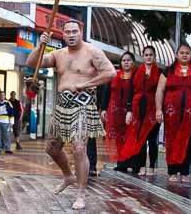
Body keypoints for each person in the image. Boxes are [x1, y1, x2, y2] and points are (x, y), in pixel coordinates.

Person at [26, 20, 116, 210]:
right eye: (68, 32)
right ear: (63, 34)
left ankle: (81, 193)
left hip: (83, 105)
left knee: (78, 147)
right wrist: (40, 44)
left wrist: (85, 84)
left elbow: (110, 72)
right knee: (51, 148)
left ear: (81, 32)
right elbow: (31, 63)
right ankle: (68, 175)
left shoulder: (93, 52)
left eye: (75, 31)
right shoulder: (58, 54)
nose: (72, 34)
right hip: (62, 106)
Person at [155, 43, 191, 183]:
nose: (184, 55)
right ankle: (172, 172)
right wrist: (158, 109)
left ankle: (185, 172)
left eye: (187, 53)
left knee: (188, 141)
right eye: (181, 52)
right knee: (171, 140)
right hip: (171, 113)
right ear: (176, 55)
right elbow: (160, 90)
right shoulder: (168, 71)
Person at [122, 46, 160, 175]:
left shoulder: (160, 72)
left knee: (152, 139)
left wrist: (160, 110)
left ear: (154, 57)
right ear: (143, 57)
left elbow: (162, 92)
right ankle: (142, 165)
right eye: (146, 55)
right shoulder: (137, 72)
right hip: (138, 108)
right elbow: (131, 92)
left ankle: (152, 167)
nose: (148, 57)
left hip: (153, 108)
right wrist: (129, 110)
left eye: (151, 55)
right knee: (141, 139)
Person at [101, 51, 136, 172]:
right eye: (123, 60)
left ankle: (130, 161)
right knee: (118, 138)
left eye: (128, 60)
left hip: (130, 113)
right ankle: (121, 162)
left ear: (133, 62)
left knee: (129, 137)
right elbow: (107, 92)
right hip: (115, 112)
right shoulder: (114, 75)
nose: (126, 62)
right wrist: (104, 109)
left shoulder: (136, 76)